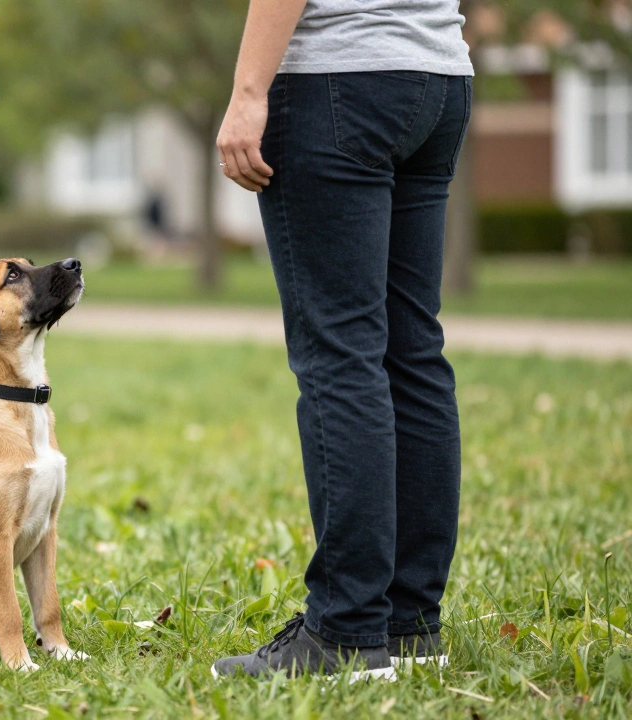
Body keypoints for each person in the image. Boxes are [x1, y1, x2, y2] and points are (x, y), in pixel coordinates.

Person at [211, 0, 473, 680]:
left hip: (336, 79)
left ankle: (347, 633)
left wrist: (247, 93)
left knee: (341, 357)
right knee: (413, 355)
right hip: (436, 75)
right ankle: (410, 628)